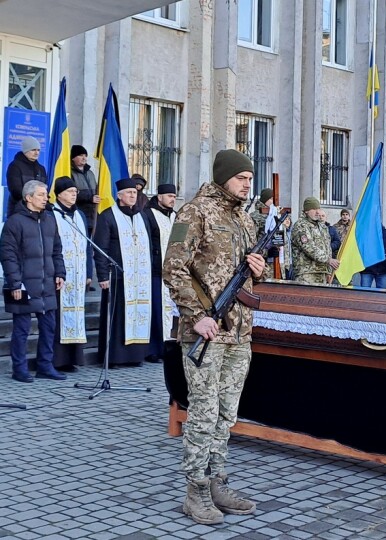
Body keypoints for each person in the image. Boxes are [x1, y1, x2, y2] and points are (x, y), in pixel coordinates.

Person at [163, 149, 265, 525]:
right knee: (203, 413)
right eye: (242, 178)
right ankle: (196, 491)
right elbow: (173, 267)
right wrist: (196, 315)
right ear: (224, 176)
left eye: (250, 179)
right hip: (205, 331)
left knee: (226, 413)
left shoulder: (244, 218)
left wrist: (259, 269)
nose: (248, 184)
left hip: (240, 331)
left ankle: (218, 480)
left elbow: (252, 279)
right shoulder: (193, 211)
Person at [1, 180, 67, 382]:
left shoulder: (49, 219)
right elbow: (8, 255)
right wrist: (14, 283)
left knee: (49, 327)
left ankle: (45, 366)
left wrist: (60, 273)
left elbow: (57, 249)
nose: (45, 198)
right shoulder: (15, 221)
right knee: (21, 329)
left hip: (46, 283)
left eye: (45, 194)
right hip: (23, 285)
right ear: (28, 198)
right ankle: (19, 369)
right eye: (40, 195)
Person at [94, 177, 155, 368]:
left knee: (138, 314)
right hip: (118, 276)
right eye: (128, 193)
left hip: (140, 277)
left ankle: (134, 355)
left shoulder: (142, 216)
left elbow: (150, 245)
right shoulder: (108, 216)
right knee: (117, 318)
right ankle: (113, 357)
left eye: (134, 193)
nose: (132, 196)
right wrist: (102, 275)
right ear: (119, 195)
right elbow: (100, 248)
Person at [51, 178, 94, 372]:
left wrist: (88, 272)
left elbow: (87, 246)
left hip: (78, 274)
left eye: (75, 191)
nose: (74, 194)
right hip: (60, 275)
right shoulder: (52, 214)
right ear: (59, 193)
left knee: (76, 316)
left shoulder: (80, 215)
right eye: (69, 191)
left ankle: (73, 358)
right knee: (60, 317)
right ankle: (59, 360)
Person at [141, 183, 179, 359]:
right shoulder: (148, 214)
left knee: (171, 309)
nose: (172, 199)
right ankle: (155, 349)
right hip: (156, 270)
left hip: (174, 272)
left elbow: (181, 241)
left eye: (174, 196)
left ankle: (169, 346)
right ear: (159, 197)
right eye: (169, 196)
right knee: (156, 309)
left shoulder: (176, 217)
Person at [291, 197, 338, 284]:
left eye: (318, 209)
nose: (317, 212)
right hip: (307, 273)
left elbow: (328, 248)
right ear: (306, 211)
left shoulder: (322, 226)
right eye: (314, 209)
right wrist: (328, 260)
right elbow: (309, 247)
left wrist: (328, 270)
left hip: (322, 273)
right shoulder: (301, 226)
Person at [6, 136, 47, 216]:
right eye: (33, 150)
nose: (37, 153)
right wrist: (34, 200)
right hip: (18, 210)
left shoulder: (41, 169)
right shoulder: (15, 166)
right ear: (25, 151)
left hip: (38, 211)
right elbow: (16, 190)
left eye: (38, 150)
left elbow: (44, 189)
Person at [70, 145, 100, 235]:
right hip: (79, 213)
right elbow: (70, 193)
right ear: (73, 158)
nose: (84, 158)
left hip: (93, 214)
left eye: (85, 155)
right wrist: (90, 198)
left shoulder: (90, 173)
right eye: (80, 155)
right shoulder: (69, 172)